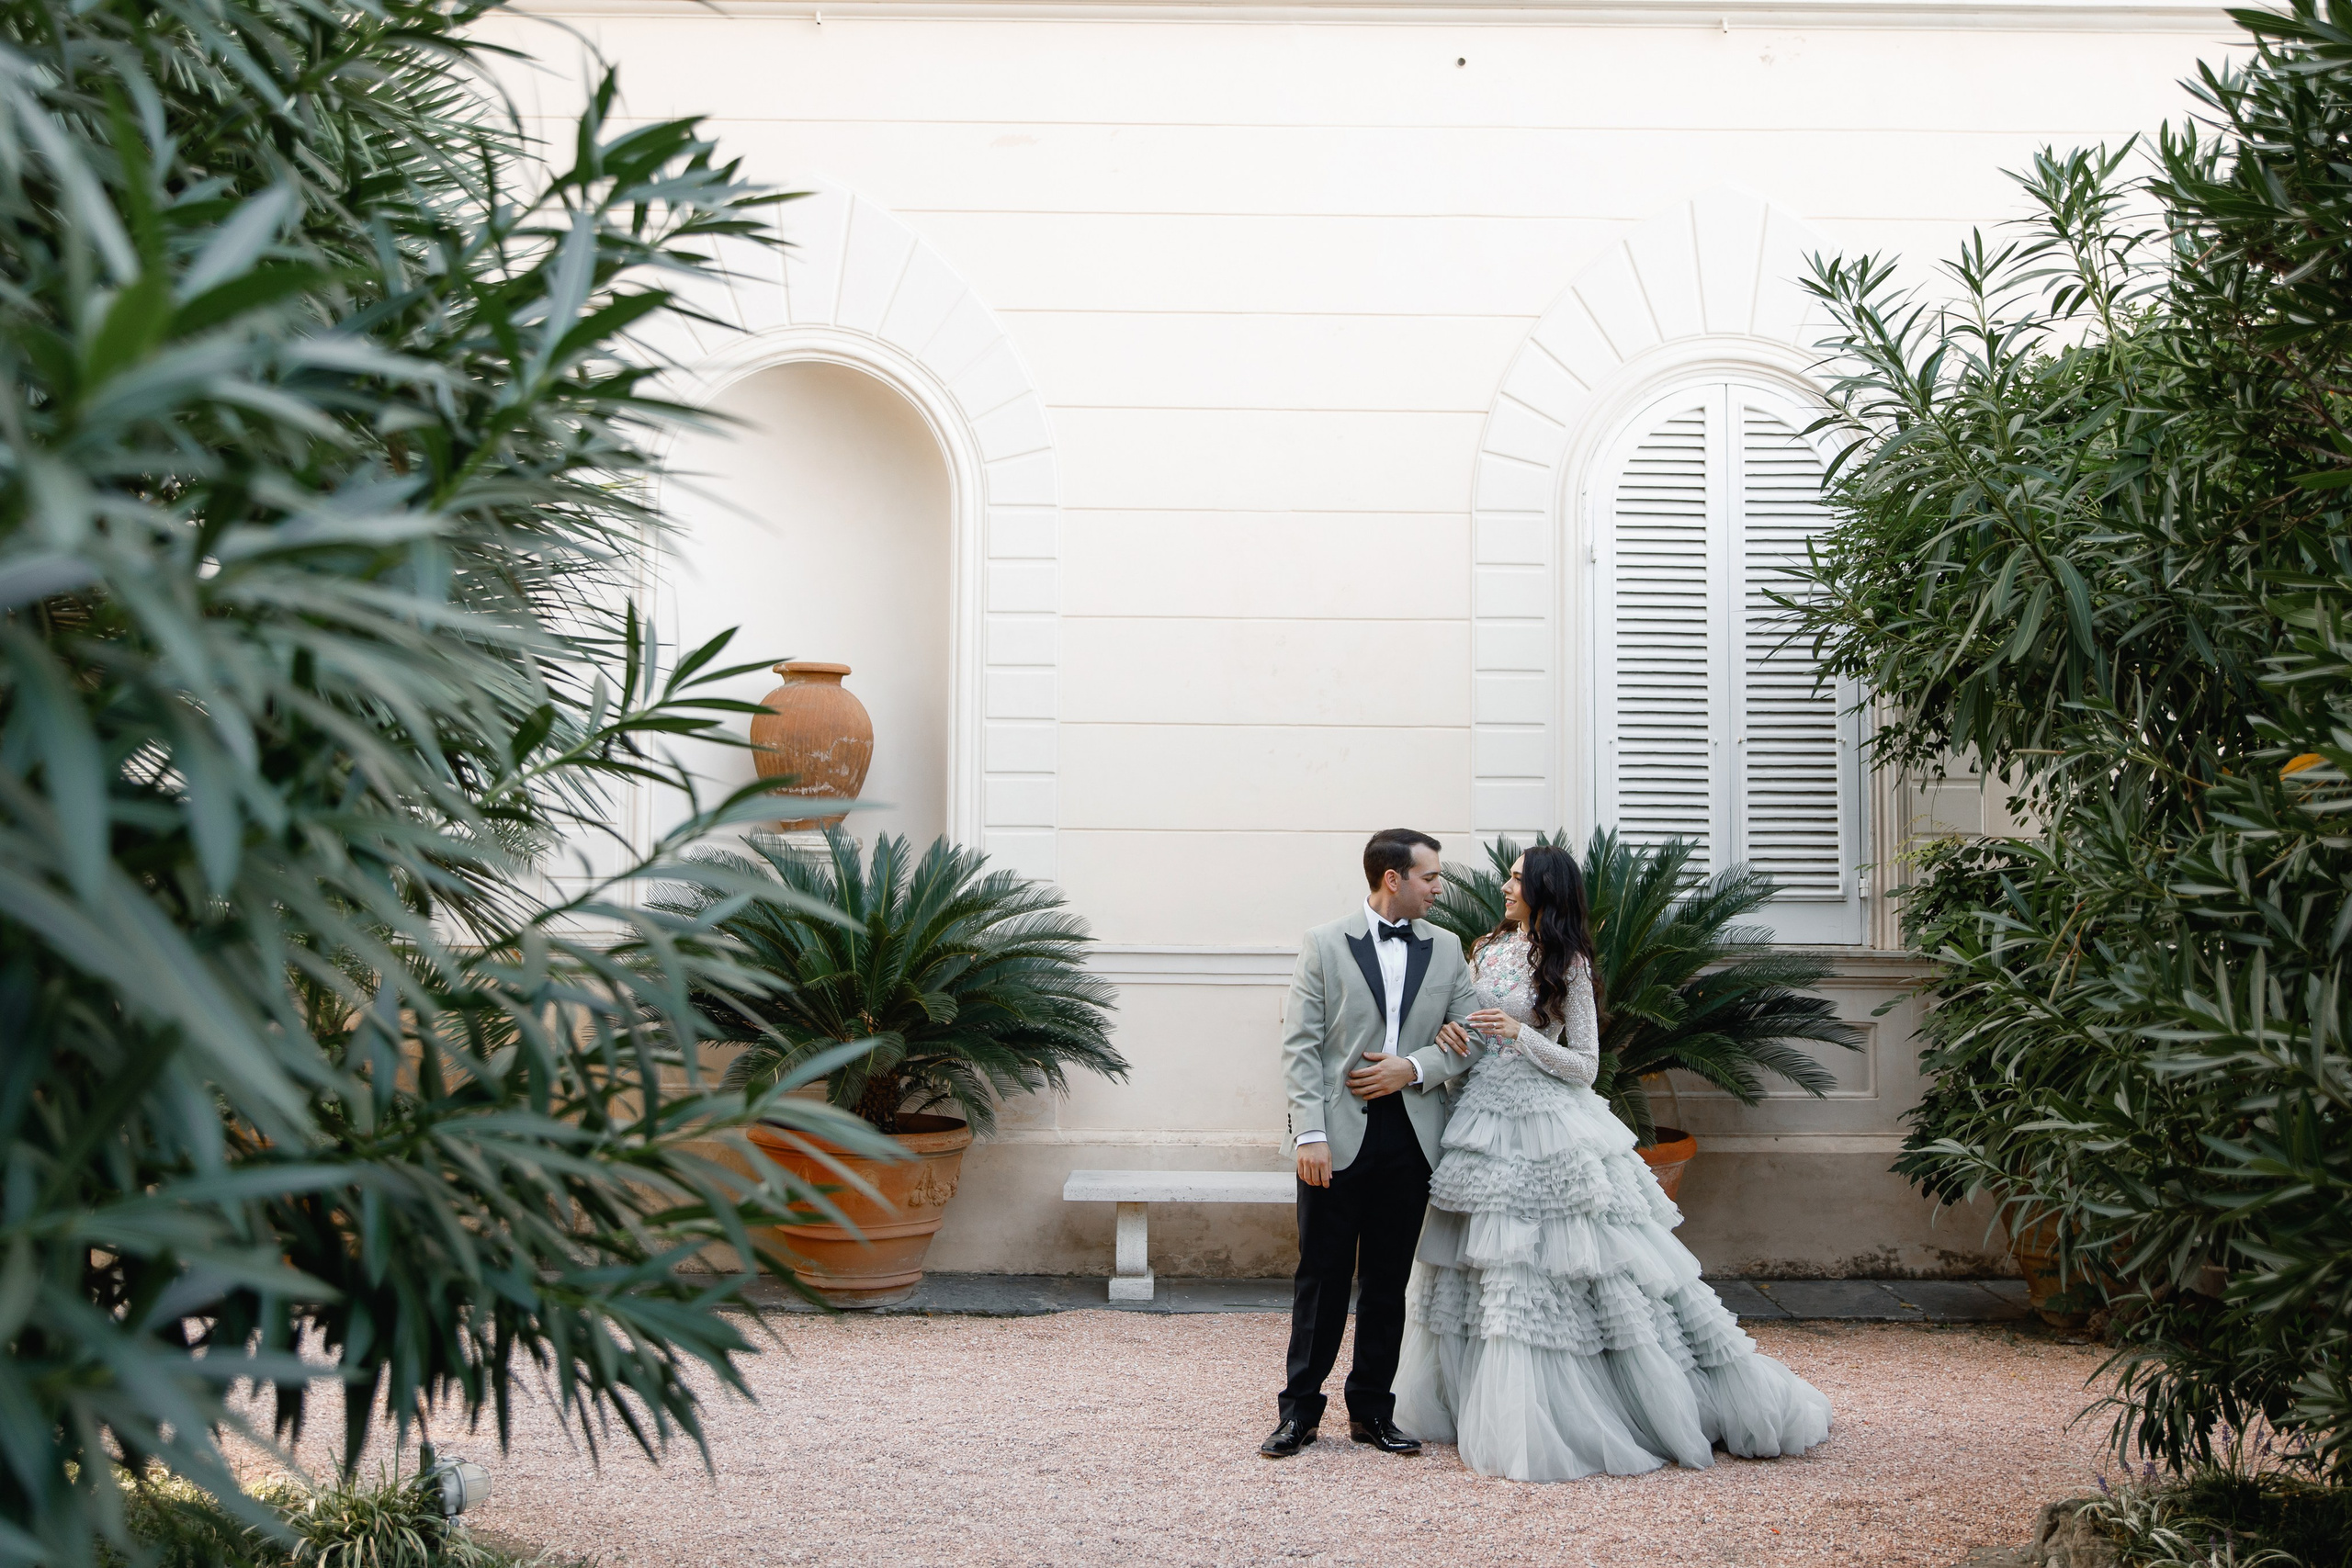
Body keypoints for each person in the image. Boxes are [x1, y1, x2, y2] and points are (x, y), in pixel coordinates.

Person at [1391, 843, 1833, 1481]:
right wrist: (1456, 1039)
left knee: (1555, 1264)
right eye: (1508, 877)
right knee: (1479, 1262)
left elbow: (1586, 1066)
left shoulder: (1566, 961)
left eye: (1516, 879)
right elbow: (1464, 1024)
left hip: (1549, 1124)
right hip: (1481, 1118)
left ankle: (1578, 1405)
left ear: (1544, 889)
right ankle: (1476, 1401)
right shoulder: (1484, 948)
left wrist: (1524, 1035)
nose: (1505, 886)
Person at [1261, 829, 1482, 1460]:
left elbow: (1468, 1032)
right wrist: (1309, 1134)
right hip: (1333, 1136)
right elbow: (1300, 1045)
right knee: (1321, 1278)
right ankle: (1299, 1412)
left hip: (1411, 1135)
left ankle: (1372, 1414)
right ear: (1394, 878)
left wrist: (1410, 1068)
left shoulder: (1446, 948)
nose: (1440, 887)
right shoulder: (1324, 944)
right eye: (1431, 876)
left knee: (1387, 1282)